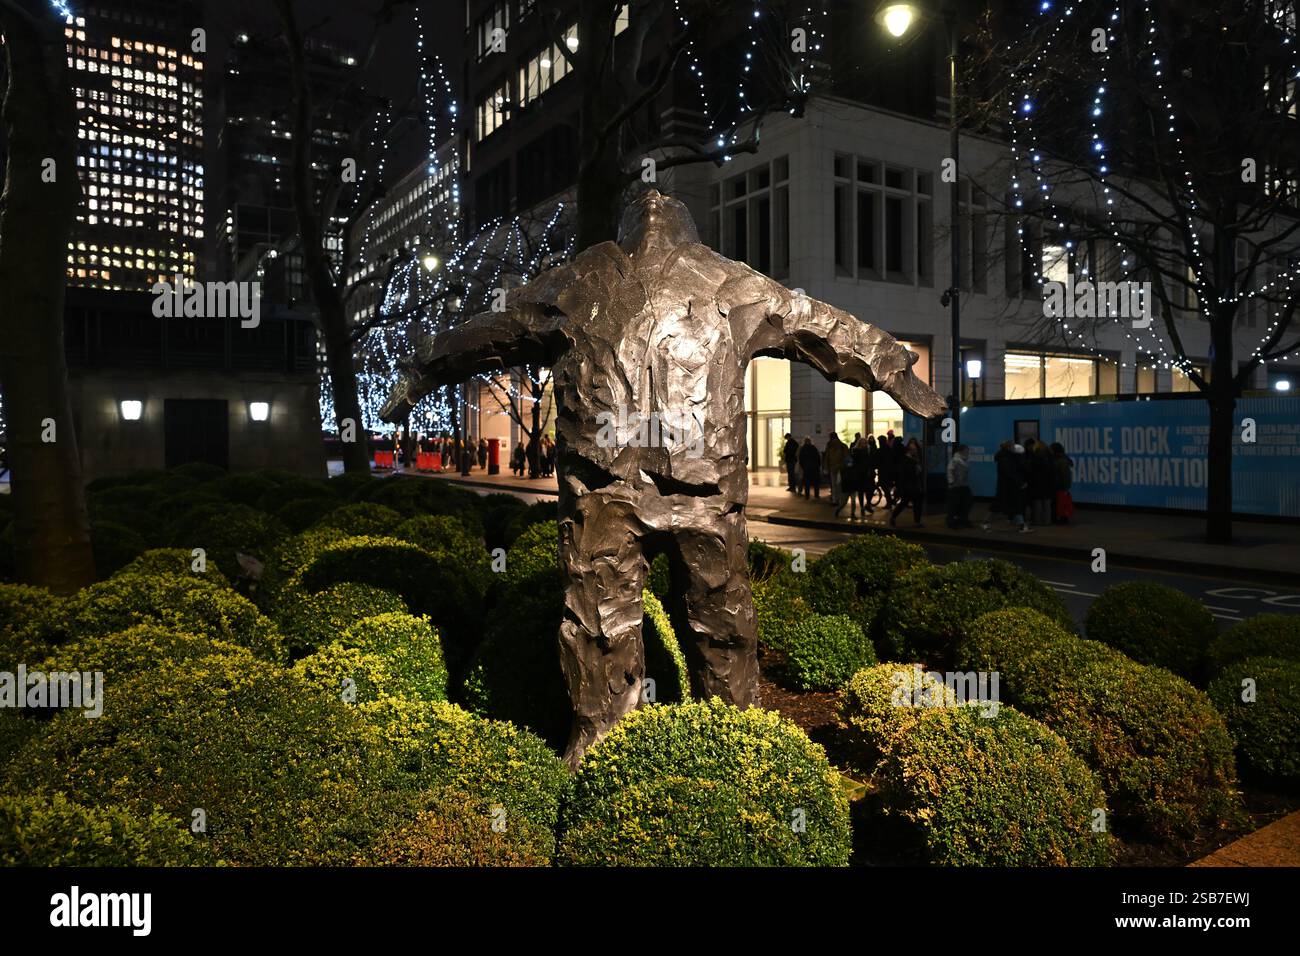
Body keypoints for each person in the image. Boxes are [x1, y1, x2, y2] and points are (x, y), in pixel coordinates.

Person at [890, 440, 924, 527]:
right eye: (914, 449)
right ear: (909, 450)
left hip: (914, 484)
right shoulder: (905, 460)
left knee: (916, 503)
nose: (915, 451)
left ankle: (917, 521)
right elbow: (902, 474)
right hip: (908, 485)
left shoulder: (915, 459)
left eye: (916, 449)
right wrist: (900, 487)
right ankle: (893, 517)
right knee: (904, 503)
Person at [946, 443, 973, 528]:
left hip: (963, 484)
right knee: (954, 504)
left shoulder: (966, 459)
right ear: (962, 451)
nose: (968, 452)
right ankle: (951, 521)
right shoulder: (956, 460)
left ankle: (962, 519)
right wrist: (951, 482)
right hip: (956, 485)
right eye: (966, 450)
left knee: (966, 502)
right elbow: (950, 470)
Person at [1029, 440, 1055, 528]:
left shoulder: (1035, 456)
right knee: (1047, 503)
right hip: (1048, 482)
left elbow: (1032, 470)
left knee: (1038, 502)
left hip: (1037, 482)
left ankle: (1038, 521)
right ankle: (1047, 521)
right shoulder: (1050, 455)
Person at [1052, 441, 1075, 524]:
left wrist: (1065, 486)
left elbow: (1065, 475)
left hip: (1060, 486)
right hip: (1062, 486)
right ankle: (1063, 518)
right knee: (1062, 503)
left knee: (1060, 503)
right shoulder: (1064, 460)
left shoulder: (1060, 461)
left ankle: (1062, 519)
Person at [824, 432, 847, 508]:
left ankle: (835, 500)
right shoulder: (842, 446)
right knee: (838, 485)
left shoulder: (830, 445)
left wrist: (826, 467)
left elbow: (827, 457)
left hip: (834, 468)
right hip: (839, 468)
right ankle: (838, 499)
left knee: (834, 485)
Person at [878, 432, 898, 507]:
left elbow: (878, 461)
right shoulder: (889, 449)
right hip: (890, 471)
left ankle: (889, 502)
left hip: (883, 472)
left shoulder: (880, 450)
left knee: (885, 487)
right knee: (888, 486)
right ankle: (892, 500)